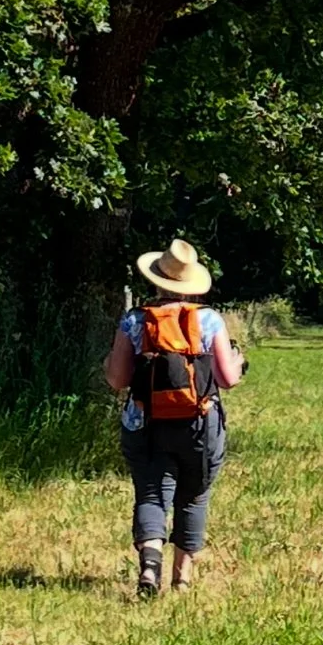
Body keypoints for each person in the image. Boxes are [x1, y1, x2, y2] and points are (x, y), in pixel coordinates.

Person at [104, 232, 245, 599]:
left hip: (145, 421)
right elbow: (227, 379)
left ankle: (150, 565)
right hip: (200, 424)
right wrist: (238, 362)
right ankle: (182, 581)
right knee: (194, 496)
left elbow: (117, 380)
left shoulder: (135, 321)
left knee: (151, 493)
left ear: (157, 278)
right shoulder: (209, 320)